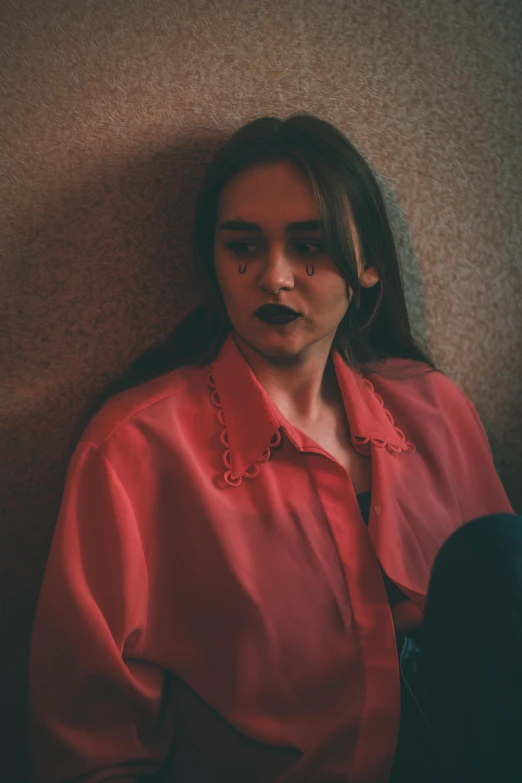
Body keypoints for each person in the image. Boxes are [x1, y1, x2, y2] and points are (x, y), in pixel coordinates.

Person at [28, 113, 518, 783]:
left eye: (309, 244)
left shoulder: (437, 411)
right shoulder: (131, 451)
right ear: (212, 261)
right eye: (244, 246)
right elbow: (91, 751)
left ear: (368, 262)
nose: (275, 277)